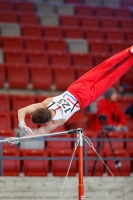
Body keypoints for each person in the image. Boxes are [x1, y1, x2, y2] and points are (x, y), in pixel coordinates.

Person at [6, 46, 133, 145]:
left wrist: (18, 140)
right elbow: (22, 110)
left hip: (84, 99)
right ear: (41, 109)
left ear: (46, 121)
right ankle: (129, 51)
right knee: (103, 67)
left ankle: (131, 59)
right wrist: (21, 123)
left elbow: (36, 134)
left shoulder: (55, 122)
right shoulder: (46, 102)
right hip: (76, 88)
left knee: (112, 77)